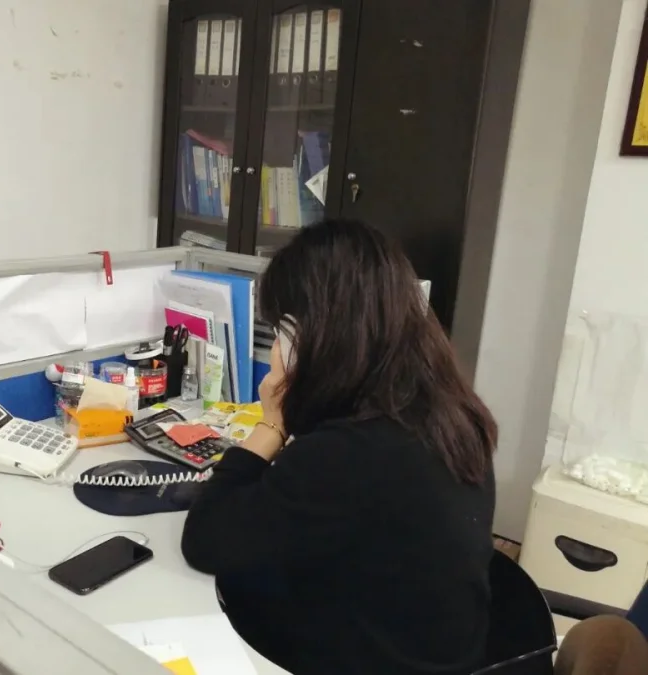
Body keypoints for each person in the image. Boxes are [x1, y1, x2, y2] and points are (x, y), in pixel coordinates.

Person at [180, 219, 498, 674]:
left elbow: (206, 540)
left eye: (280, 331)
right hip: (438, 654)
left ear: (304, 338)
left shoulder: (351, 453)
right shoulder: (450, 416)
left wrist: (272, 422)